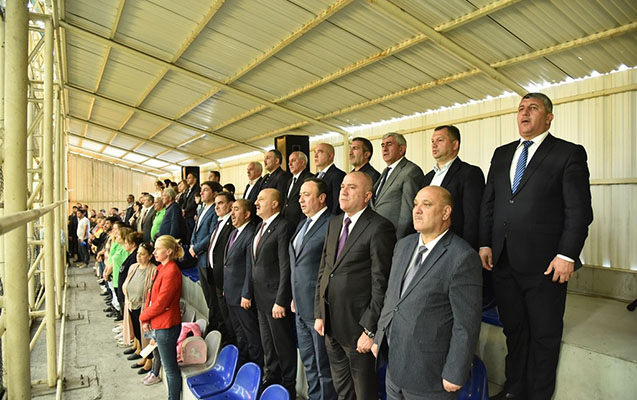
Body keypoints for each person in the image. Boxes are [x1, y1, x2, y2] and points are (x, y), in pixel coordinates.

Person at [479, 93, 593, 400]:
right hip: (503, 260)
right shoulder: (502, 154)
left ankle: (539, 394)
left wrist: (567, 254)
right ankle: (514, 389)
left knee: (544, 333)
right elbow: (489, 203)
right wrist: (485, 243)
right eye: (521, 109)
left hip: (546, 264)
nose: (524, 113)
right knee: (514, 330)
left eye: (533, 108)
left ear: (549, 117)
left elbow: (578, 210)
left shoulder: (567, 153)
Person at [373, 186, 483, 399]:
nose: (417, 210)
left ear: (446, 212)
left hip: (429, 375)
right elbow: (392, 297)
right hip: (394, 367)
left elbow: (466, 323)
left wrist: (455, 371)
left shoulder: (462, 257)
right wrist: (379, 336)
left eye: (427, 204)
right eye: (415, 204)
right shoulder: (403, 245)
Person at [314, 172, 396, 400]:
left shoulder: (379, 227)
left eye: (351, 187)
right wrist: (319, 312)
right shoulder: (334, 223)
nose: (343, 191)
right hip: (331, 324)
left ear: (367, 196)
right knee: (343, 391)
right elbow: (324, 271)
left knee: (364, 393)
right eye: (342, 186)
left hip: (358, 330)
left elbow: (382, 283)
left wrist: (370, 330)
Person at [289, 178, 337, 400]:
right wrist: (294, 296)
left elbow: (329, 270)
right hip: (300, 305)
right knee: (309, 361)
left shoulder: (331, 224)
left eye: (306, 195)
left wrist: (320, 308)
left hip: (318, 308)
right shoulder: (303, 224)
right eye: (300, 195)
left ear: (322, 198)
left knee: (323, 364)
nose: (301, 199)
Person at [252, 189, 297, 397]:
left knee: (283, 345)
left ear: (275, 204)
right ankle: (272, 379)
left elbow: (285, 267)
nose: (256, 202)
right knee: (268, 344)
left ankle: (288, 386)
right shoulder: (260, 226)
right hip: (261, 297)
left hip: (275, 299)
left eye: (261, 199)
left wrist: (281, 300)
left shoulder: (283, 226)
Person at [424, 125, 484, 250]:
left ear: (455, 145)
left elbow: (472, 218)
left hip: (453, 246)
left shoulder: (469, 173)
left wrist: (466, 251)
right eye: (432, 141)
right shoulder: (426, 178)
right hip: (426, 245)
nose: (434, 145)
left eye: (440, 140)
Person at [141, 235, 184, 400]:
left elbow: (162, 303)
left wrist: (144, 316)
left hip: (167, 325)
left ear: (169, 251)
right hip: (159, 323)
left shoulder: (172, 271)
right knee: (166, 365)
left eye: (158, 249)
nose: (154, 252)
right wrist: (147, 319)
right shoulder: (161, 268)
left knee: (170, 369)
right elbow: (151, 295)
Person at [223, 199, 264, 366]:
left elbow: (249, 267)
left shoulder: (250, 234)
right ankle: (243, 364)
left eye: (236, 209)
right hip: (231, 293)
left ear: (247, 214)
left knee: (251, 334)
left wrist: (246, 294)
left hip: (242, 296)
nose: (232, 213)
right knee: (239, 333)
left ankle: (256, 367)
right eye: (231, 209)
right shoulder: (234, 233)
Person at [372, 132, 425, 240]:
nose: (384, 149)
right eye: (382, 145)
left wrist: (398, 240)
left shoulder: (410, 171)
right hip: (376, 234)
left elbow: (408, 212)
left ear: (401, 149)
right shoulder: (385, 171)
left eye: (389, 144)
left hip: (393, 237)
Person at [205, 191, 236, 343]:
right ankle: (224, 336)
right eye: (216, 204)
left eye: (221, 203)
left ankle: (231, 342)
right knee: (220, 312)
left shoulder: (232, 224)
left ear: (231, 205)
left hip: (224, 278)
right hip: (214, 275)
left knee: (228, 315)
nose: (216, 207)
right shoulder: (220, 221)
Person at [190, 181, 222, 330]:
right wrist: (192, 245)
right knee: (207, 295)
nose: (201, 193)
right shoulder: (202, 208)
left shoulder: (214, 211)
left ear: (215, 193)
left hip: (207, 258)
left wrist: (196, 248)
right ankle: (213, 322)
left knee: (213, 297)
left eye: (206, 190)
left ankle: (216, 326)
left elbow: (212, 235)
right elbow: (195, 230)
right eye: (201, 190)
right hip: (199, 257)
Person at [282, 151, 313, 229]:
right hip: (287, 220)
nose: (290, 164)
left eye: (293, 160)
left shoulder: (309, 178)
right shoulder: (290, 180)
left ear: (302, 162)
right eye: (289, 161)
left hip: (299, 222)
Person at [314, 143, 346, 215]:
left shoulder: (338, 175)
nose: (315, 156)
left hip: (329, 219)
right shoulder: (315, 177)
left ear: (330, 156)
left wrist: (333, 220)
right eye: (315, 152)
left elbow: (337, 204)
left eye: (320, 152)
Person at [183, 172, 201, 236]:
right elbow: (185, 201)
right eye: (187, 178)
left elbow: (194, 202)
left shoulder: (197, 189)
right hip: (186, 215)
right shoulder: (188, 189)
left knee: (191, 232)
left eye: (189, 178)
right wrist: (183, 209)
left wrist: (185, 210)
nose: (187, 179)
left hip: (192, 214)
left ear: (195, 179)